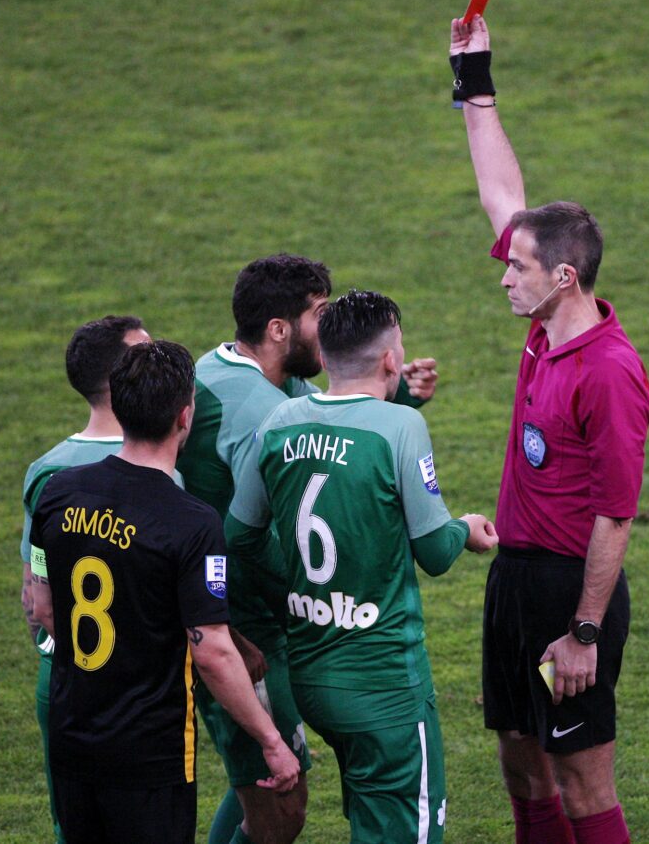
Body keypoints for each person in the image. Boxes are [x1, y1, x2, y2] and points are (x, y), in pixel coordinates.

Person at [451, 14, 649, 844]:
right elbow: (502, 194)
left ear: (564, 276)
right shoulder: (547, 328)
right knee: (521, 760)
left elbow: (616, 515)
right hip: (515, 577)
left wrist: (583, 632)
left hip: (570, 593)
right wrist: (475, 81)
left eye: (519, 267)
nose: (505, 274)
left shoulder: (608, 372)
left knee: (580, 780)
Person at [178, 254, 439, 844]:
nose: (331, 324)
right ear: (278, 329)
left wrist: (395, 394)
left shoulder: (235, 372)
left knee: (263, 787)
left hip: (246, 615)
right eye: (319, 313)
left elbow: (331, 417)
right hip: (236, 626)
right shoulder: (260, 411)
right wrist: (317, 594)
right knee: (278, 805)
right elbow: (255, 530)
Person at [226, 289, 499, 844]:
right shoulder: (400, 426)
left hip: (311, 677)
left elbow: (240, 533)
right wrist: (464, 528)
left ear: (325, 357)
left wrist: (296, 584)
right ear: (391, 361)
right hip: (383, 686)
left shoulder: (279, 421)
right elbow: (434, 552)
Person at [29, 340, 300, 844]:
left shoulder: (58, 492)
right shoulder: (191, 522)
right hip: (149, 754)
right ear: (184, 416)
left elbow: (41, 603)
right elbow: (212, 651)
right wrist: (271, 740)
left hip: (72, 739)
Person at [17, 314, 151, 843]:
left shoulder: (46, 469)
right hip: (141, 690)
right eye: (146, 354)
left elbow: (35, 597)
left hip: (63, 679)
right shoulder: (161, 468)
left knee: (75, 827)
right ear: (121, 379)